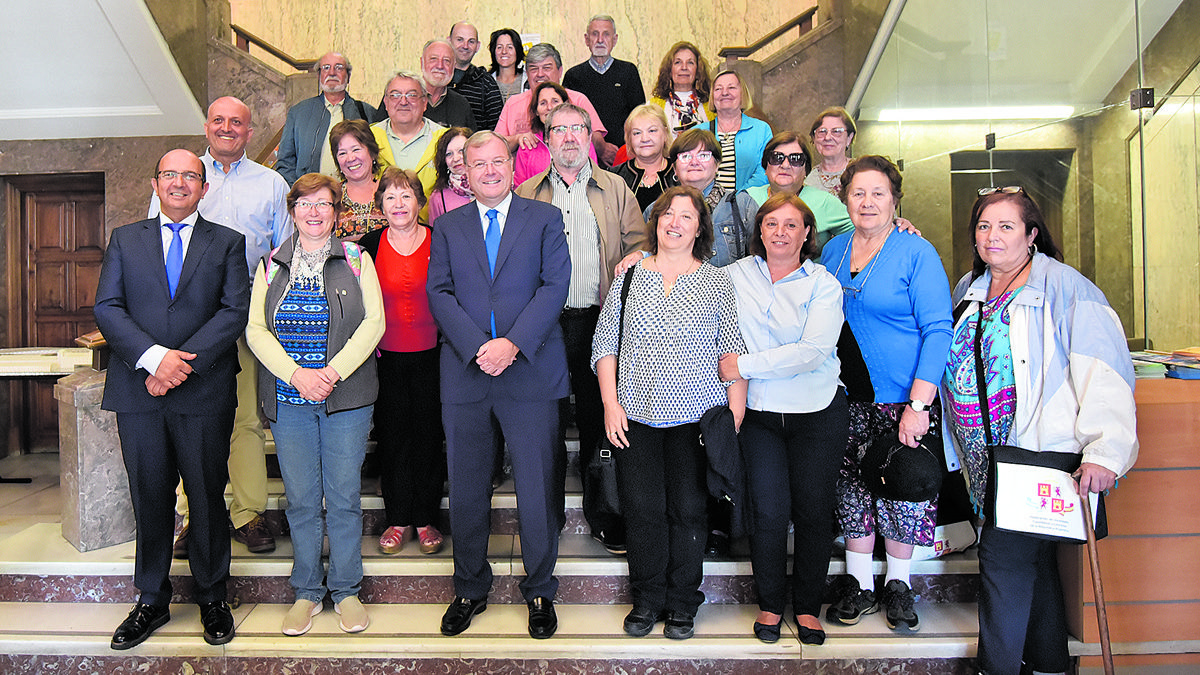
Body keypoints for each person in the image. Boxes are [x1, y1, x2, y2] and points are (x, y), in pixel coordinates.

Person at [941, 187, 1138, 675]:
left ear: (1031, 235)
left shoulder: (1067, 287)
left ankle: (996, 667)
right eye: (984, 226)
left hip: (1038, 454)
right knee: (1034, 565)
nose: (993, 236)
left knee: (1003, 560)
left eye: (1007, 226)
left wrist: (1105, 452)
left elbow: (1105, 370)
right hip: (985, 457)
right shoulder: (971, 285)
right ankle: (1050, 664)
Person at [96, 148, 248, 649]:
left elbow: (232, 312)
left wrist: (180, 364)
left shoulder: (227, 242)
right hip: (139, 390)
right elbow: (108, 307)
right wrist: (153, 358)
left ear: (205, 189)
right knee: (151, 496)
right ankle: (151, 600)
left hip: (203, 391)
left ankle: (212, 596)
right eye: (169, 175)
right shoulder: (124, 239)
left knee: (206, 496)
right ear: (155, 184)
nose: (179, 183)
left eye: (190, 176)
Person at [427, 130, 571, 640]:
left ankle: (539, 589)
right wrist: (477, 347)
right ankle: (469, 587)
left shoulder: (545, 218)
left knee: (536, 486)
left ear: (512, 164)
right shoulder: (445, 226)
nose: (488, 171)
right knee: (467, 488)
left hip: (529, 370)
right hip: (466, 373)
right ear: (462, 170)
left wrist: (510, 344)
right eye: (477, 163)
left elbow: (555, 287)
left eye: (497, 161)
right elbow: (439, 293)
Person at [593, 185, 746, 640]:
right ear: (656, 221)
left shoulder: (716, 281)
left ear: (700, 227)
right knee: (641, 511)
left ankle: (682, 602)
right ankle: (647, 598)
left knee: (688, 512)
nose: (675, 223)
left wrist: (732, 419)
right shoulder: (630, 276)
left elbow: (730, 351)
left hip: (696, 420)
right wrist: (609, 402)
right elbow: (606, 345)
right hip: (635, 415)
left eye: (686, 216)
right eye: (668, 215)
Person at [151, 96, 291, 560]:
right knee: (192, 418)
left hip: (247, 315)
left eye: (238, 123)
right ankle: (196, 515)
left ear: (250, 132)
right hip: (186, 321)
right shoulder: (179, 177)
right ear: (206, 126)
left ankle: (248, 512)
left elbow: (282, 255)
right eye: (219, 121)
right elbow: (153, 248)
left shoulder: (271, 184)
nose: (228, 128)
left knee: (246, 418)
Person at [245, 172, 384, 637]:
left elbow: (373, 324)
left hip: (345, 397)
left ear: (336, 211)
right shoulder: (271, 265)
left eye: (324, 204)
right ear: (293, 211)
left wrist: (331, 373)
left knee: (343, 497)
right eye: (305, 204)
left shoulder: (357, 258)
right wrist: (297, 375)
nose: (314, 212)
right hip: (289, 400)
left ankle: (345, 590)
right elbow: (255, 331)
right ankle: (307, 590)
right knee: (303, 499)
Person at [821, 155, 952, 633]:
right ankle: (859, 585)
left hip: (902, 398)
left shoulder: (917, 252)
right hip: (844, 397)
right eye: (859, 193)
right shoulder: (832, 251)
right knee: (851, 489)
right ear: (845, 198)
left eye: (879, 193)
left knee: (902, 489)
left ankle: (898, 584)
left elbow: (939, 328)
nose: (868, 202)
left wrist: (919, 405)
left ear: (895, 200)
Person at [516, 103, 645, 555]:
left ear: (590, 135)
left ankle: (604, 513)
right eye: (559, 129)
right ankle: (544, 515)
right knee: (544, 423)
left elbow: (639, 243)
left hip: (600, 321)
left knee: (599, 423)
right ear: (546, 138)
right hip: (544, 325)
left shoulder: (616, 188)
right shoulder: (528, 192)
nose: (569, 136)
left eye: (577, 128)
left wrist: (635, 258)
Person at [721, 193, 846, 646]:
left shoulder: (823, 284)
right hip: (759, 414)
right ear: (760, 230)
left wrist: (744, 365)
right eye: (771, 223)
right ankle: (772, 604)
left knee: (813, 512)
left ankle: (809, 608)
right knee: (768, 513)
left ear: (807, 233)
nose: (780, 232)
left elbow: (812, 352)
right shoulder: (734, 275)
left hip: (816, 411)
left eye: (791, 225)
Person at [358, 168, 445, 557]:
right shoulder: (368, 246)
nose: (398, 204)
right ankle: (398, 518)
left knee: (428, 436)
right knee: (392, 438)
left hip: (434, 355)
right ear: (380, 205)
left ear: (419, 202)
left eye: (406, 196)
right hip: (384, 359)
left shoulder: (439, 240)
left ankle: (427, 519)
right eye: (390, 197)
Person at [641, 129, 757, 269]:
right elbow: (648, 259)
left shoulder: (742, 205)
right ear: (674, 169)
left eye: (703, 155)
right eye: (685, 156)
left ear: (717, 165)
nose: (694, 162)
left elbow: (760, 260)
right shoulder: (656, 210)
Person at [494, 43, 608, 160]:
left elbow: (596, 140)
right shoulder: (513, 103)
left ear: (560, 71)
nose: (540, 74)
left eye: (547, 68)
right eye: (533, 69)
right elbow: (496, 145)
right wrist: (517, 139)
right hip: (524, 173)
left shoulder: (578, 100)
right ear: (527, 74)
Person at [276, 52, 376, 185]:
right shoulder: (299, 113)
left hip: (354, 196)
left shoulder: (366, 112)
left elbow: (376, 158)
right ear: (318, 75)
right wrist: (300, 193)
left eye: (339, 67)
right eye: (326, 68)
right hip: (310, 198)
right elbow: (285, 162)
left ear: (348, 76)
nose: (332, 72)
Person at [743, 131, 852, 252]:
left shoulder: (824, 202)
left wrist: (832, 258)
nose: (785, 165)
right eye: (776, 157)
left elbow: (864, 232)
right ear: (765, 166)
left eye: (795, 159)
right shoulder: (747, 198)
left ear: (806, 169)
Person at [562, 15, 645, 162]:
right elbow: (567, 119)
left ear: (615, 39)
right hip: (584, 158)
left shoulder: (629, 71)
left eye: (606, 34)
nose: (600, 40)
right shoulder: (573, 76)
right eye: (595, 34)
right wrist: (599, 147)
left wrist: (623, 151)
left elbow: (638, 116)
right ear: (587, 39)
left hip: (626, 156)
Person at [371, 70, 447, 223]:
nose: (403, 101)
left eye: (412, 95)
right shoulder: (369, 138)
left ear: (424, 102)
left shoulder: (445, 140)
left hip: (434, 232)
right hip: (380, 233)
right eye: (395, 95)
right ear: (385, 102)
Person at [512, 83, 597, 187]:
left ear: (565, 104)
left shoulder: (581, 141)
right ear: (536, 111)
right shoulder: (528, 146)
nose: (549, 107)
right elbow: (520, 188)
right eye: (543, 103)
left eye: (555, 101)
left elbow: (594, 180)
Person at [707, 70, 770, 193]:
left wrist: (738, 199)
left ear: (743, 94)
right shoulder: (699, 131)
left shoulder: (762, 130)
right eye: (718, 89)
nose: (725, 93)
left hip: (749, 204)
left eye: (731, 87)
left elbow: (766, 170)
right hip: (706, 206)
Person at [614, 104, 679, 211]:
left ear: (665, 133)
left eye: (652, 131)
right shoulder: (615, 176)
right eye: (637, 133)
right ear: (629, 139)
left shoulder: (681, 172)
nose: (644, 138)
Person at [330, 119, 386, 241]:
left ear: (371, 152)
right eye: (342, 153)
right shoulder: (331, 197)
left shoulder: (390, 192)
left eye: (356, 149)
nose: (350, 158)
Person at [449, 22, 505, 131]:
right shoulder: (437, 78)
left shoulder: (487, 83)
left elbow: (497, 130)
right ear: (449, 41)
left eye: (471, 41)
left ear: (477, 46)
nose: (465, 46)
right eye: (459, 39)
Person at [649, 42, 713, 136]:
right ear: (669, 71)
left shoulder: (712, 106)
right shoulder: (653, 107)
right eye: (678, 62)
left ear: (698, 71)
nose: (684, 67)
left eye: (690, 63)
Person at [418, 39, 478, 130]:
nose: (440, 66)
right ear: (422, 62)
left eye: (446, 61)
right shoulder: (405, 99)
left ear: (453, 66)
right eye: (433, 59)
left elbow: (470, 142)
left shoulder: (461, 105)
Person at [428, 126, 474, 224]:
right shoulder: (438, 197)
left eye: (461, 151)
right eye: (449, 154)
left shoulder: (492, 185)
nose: (456, 158)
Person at [806, 107, 856, 196]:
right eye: (822, 131)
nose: (827, 137)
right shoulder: (806, 180)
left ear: (849, 138)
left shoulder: (862, 171)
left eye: (836, 131)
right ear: (814, 138)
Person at [488, 28, 527, 103]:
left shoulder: (528, 81)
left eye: (509, 47)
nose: (504, 51)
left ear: (517, 51)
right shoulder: (487, 82)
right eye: (499, 47)